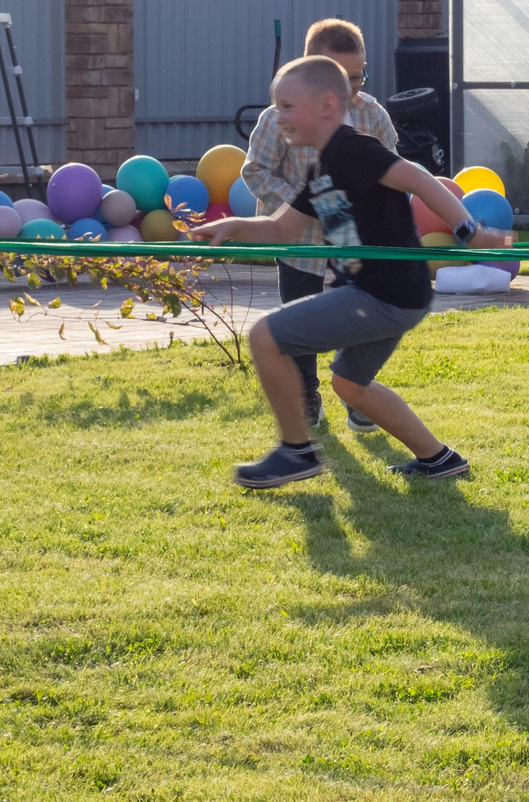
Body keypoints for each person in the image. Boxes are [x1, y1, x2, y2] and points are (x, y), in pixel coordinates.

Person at [193, 54, 508, 489]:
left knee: (265, 337)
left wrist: (468, 232)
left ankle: (297, 451)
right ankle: (439, 459)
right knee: (350, 385)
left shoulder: (353, 149)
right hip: (391, 294)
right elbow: (282, 227)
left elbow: (418, 179)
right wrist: (232, 226)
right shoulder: (323, 168)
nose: (278, 117)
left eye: (287, 106)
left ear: (326, 105)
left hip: (379, 293)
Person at [239, 19, 399, 431]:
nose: (350, 89)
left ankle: (358, 392)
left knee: (361, 315)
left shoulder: (372, 116)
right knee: (299, 320)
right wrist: (306, 205)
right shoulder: (279, 119)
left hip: (353, 240)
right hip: (300, 240)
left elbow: (392, 171)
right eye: (339, 77)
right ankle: (306, 393)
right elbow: (256, 171)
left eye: (358, 76)